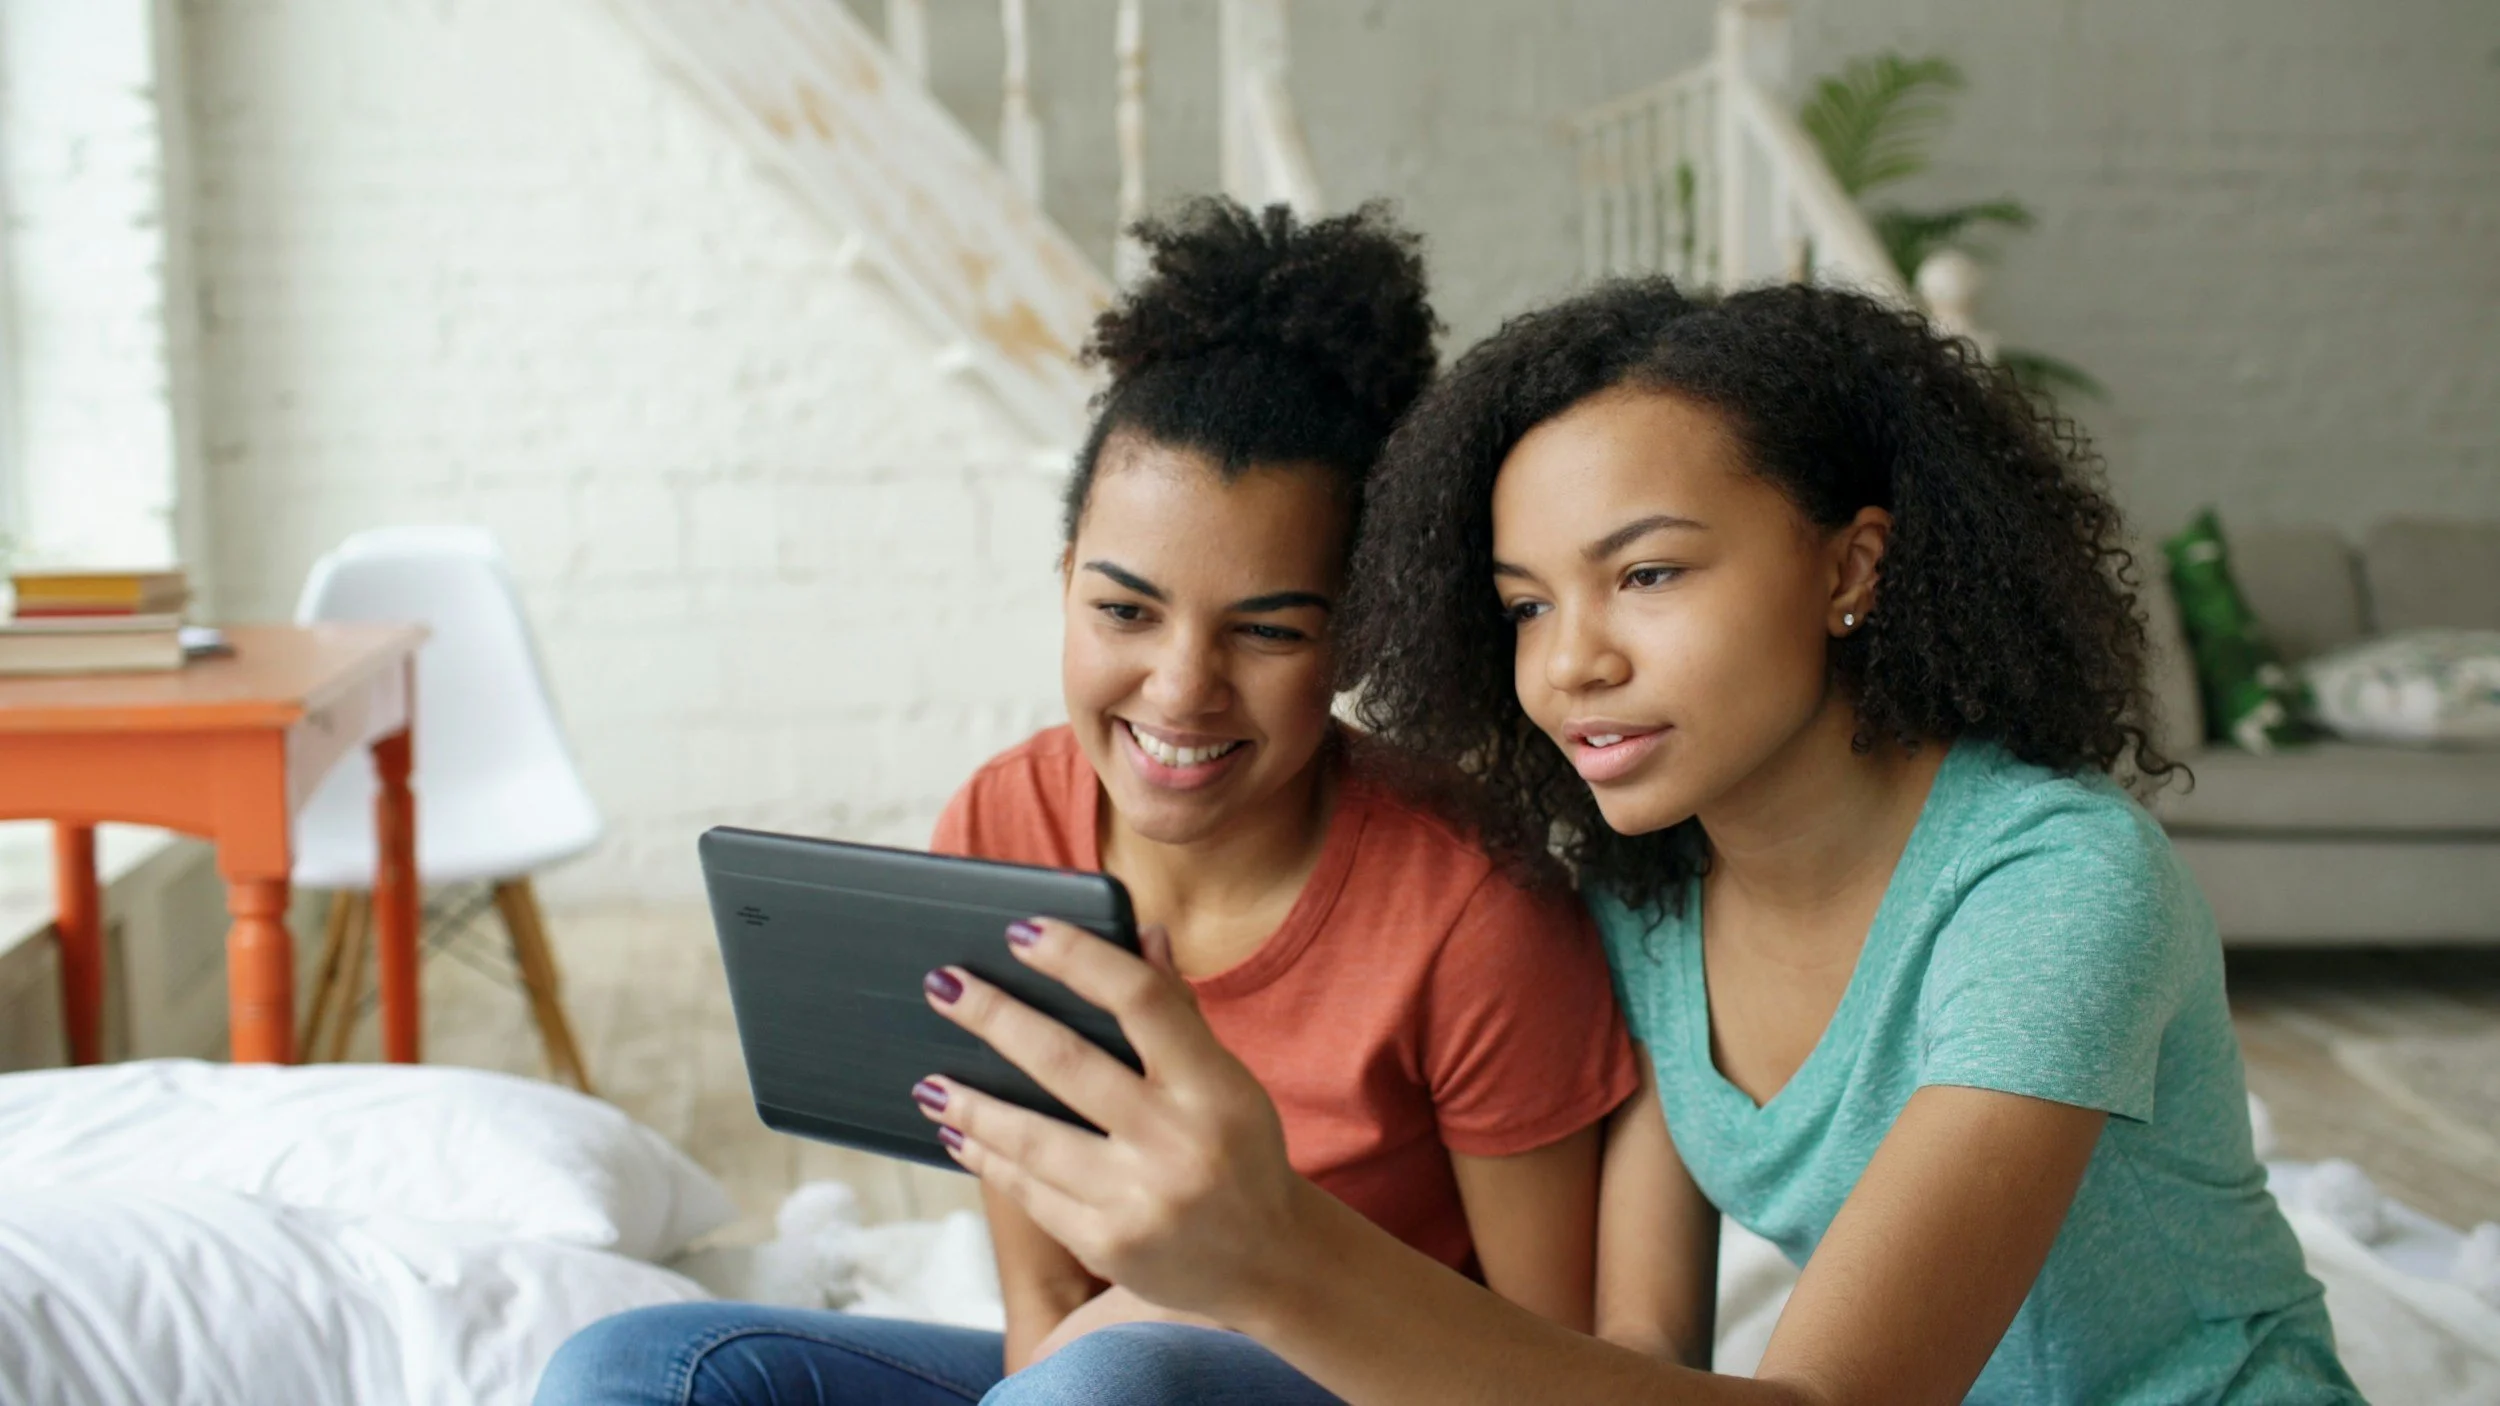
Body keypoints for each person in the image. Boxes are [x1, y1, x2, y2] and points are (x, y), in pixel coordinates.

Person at [906, 279, 2364, 1403]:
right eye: (1529, 604)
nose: (1570, 664)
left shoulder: (2053, 886)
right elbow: (1634, 1363)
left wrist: (1279, 1256)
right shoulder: (1653, 897)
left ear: (1852, 563)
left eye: (1647, 573)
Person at [535, 201, 1640, 1406]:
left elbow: (1544, 1365)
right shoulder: (1004, 826)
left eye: (1268, 630)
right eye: (1123, 609)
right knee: (637, 1364)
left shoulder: (1472, 904)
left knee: (1114, 1376)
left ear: (1356, 636)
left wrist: (1226, 1285)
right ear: (1064, 581)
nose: (1181, 689)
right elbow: (1041, 1313)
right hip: (1078, 1380)